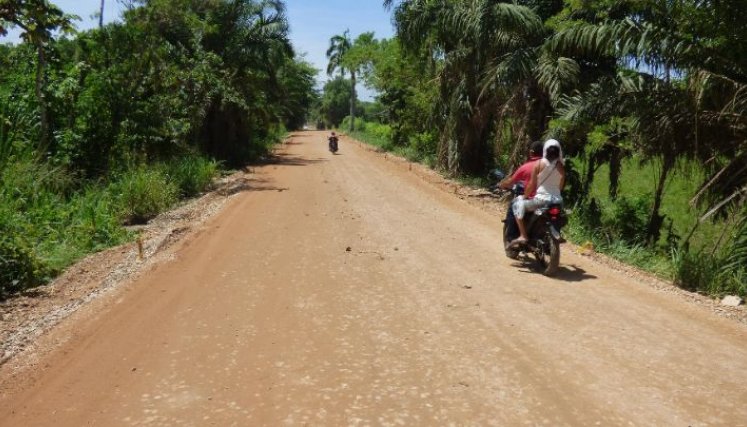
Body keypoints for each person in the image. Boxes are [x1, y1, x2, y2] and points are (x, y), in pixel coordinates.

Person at [510, 139, 565, 247]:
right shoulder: (560, 166)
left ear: (545, 150)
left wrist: (524, 197)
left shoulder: (539, 164)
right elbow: (561, 184)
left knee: (517, 204)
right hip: (557, 201)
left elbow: (532, 185)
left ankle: (523, 235)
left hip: (541, 200)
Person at [499, 141, 544, 243]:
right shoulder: (550, 166)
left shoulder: (526, 167)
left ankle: (512, 238)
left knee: (513, 205)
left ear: (531, 152)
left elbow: (511, 182)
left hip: (534, 199)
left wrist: (501, 185)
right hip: (550, 199)